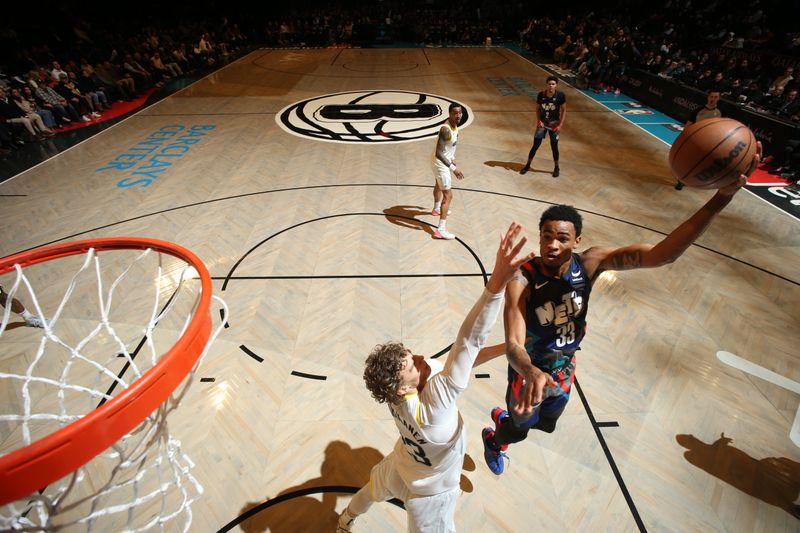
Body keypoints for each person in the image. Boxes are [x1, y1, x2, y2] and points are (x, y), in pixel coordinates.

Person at [480, 149, 760, 476]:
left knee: (547, 425)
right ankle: (496, 438)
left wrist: (720, 199)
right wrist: (529, 371)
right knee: (522, 427)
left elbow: (661, 255)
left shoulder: (590, 263)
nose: (552, 245)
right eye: (546, 236)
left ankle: (508, 418)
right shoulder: (523, 279)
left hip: (565, 367)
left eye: (561, 238)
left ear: (577, 240)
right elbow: (513, 343)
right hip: (530, 371)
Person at [337, 222, 536, 532]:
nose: (419, 358)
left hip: (402, 463)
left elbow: (457, 362)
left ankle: (344, 519)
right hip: (431, 495)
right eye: (412, 363)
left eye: (411, 354)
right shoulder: (435, 406)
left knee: (371, 490)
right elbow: (468, 342)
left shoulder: (399, 394)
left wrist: (509, 347)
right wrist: (495, 285)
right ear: (404, 387)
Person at [520, 75, 566, 178]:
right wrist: (539, 121)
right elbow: (537, 108)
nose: (551, 86)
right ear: (547, 84)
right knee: (535, 145)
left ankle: (556, 167)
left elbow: (564, 110)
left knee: (554, 147)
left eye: (553, 84)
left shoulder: (560, 96)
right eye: (549, 84)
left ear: (556, 85)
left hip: (554, 124)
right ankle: (527, 165)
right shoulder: (541, 95)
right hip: (542, 123)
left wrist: (560, 125)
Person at [675, 89, 722, 190]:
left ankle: (695, 180)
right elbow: (688, 124)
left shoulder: (720, 113)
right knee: (687, 161)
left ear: (718, 98)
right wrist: (684, 137)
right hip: (695, 139)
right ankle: (681, 180)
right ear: (708, 97)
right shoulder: (699, 110)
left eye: (715, 97)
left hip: (710, 142)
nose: (713, 99)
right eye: (711, 97)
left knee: (701, 163)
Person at [430, 103, 465, 240]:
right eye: (455, 113)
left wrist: (453, 157)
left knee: (439, 184)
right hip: (439, 162)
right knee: (448, 196)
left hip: (439, 160)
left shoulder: (455, 126)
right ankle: (441, 230)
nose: (458, 115)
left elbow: (449, 147)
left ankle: (436, 209)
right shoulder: (445, 130)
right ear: (449, 114)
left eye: (460, 113)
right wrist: (453, 168)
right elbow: (439, 153)